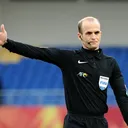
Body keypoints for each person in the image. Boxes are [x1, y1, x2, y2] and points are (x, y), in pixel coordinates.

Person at [0, 16, 128, 128]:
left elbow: (122, 96)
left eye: (96, 32)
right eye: (89, 33)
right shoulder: (69, 58)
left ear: (100, 33)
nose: (93, 37)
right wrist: (7, 43)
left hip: (99, 123)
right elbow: (39, 53)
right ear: (80, 36)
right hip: (75, 123)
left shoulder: (110, 63)